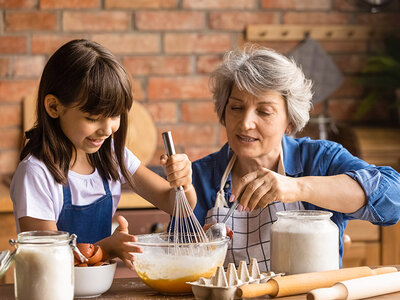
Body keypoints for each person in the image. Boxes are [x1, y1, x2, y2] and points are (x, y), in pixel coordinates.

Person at [193, 45, 400, 272]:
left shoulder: (321, 160)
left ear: (289, 123)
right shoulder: (201, 177)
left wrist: (299, 187)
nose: (245, 123)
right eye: (236, 107)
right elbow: (178, 262)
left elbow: (393, 199)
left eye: (264, 111)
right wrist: (196, 251)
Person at [10, 39, 196, 270]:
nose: (107, 130)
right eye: (93, 118)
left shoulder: (112, 156)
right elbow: (47, 258)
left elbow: (177, 205)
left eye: (115, 115)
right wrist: (106, 250)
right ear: (54, 107)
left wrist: (183, 184)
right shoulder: (36, 173)